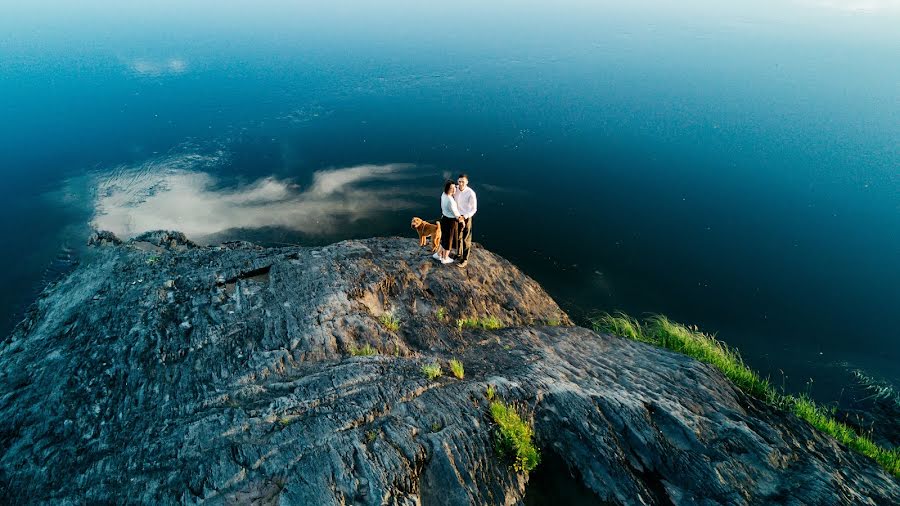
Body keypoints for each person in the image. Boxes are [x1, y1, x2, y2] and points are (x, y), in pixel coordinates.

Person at [436, 180, 465, 264]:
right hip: (450, 222)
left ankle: (438, 254)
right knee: (449, 240)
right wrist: (462, 221)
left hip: (444, 219)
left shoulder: (443, 195)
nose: (454, 190)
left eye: (454, 188)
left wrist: (455, 186)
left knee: (444, 238)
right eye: (451, 188)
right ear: (447, 189)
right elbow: (456, 214)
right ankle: (445, 258)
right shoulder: (450, 201)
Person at [452, 173, 477, 267]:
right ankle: (458, 254)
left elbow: (474, 209)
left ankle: (465, 259)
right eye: (459, 181)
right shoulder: (455, 189)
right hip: (457, 217)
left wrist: (465, 216)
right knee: (458, 237)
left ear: (467, 182)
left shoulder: (471, 193)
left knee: (466, 239)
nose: (461, 183)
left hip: (466, 217)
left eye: (463, 182)